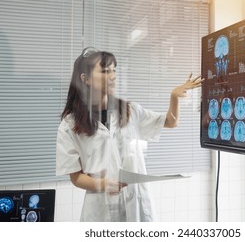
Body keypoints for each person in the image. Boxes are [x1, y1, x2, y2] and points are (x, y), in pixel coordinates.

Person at [56, 47, 203, 222]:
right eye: (104, 71)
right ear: (85, 79)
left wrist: (174, 97)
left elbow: (170, 122)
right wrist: (102, 184)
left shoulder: (129, 110)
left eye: (114, 70)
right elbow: (76, 176)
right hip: (100, 211)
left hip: (136, 203)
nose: (112, 76)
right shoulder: (70, 125)